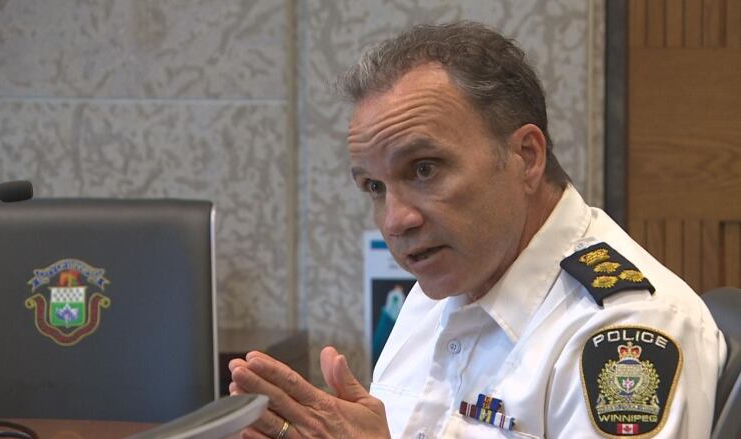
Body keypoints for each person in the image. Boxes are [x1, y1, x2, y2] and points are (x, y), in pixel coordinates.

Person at [228, 21, 726, 438]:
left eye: (424, 170)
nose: (396, 220)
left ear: (525, 157)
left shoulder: (625, 331)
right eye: (375, 187)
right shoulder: (439, 285)